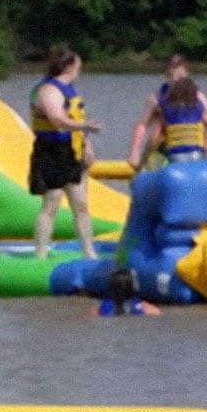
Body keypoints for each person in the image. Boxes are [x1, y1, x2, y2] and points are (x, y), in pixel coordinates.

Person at [29, 47, 100, 260]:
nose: (80, 69)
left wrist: (86, 144)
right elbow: (57, 120)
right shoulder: (48, 91)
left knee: (81, 203)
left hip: (71, 151)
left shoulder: (69, 89)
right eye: (78, 65)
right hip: (51, 152)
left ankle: (89, 252)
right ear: (68, 67)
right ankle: (41, 254)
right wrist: (84, 125)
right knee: (51, 202)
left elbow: (72, 118)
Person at [141, 77, 207, 166]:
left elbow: (153, 139)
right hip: (197, 155)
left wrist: (143, 160)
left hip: (176, 157)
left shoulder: (167, 110)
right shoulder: (199, 108)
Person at [92, 267, 162, 317]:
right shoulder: (141, 306)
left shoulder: (103, 307)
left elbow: (92, 317)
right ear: (132, 287)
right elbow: (158, 312)